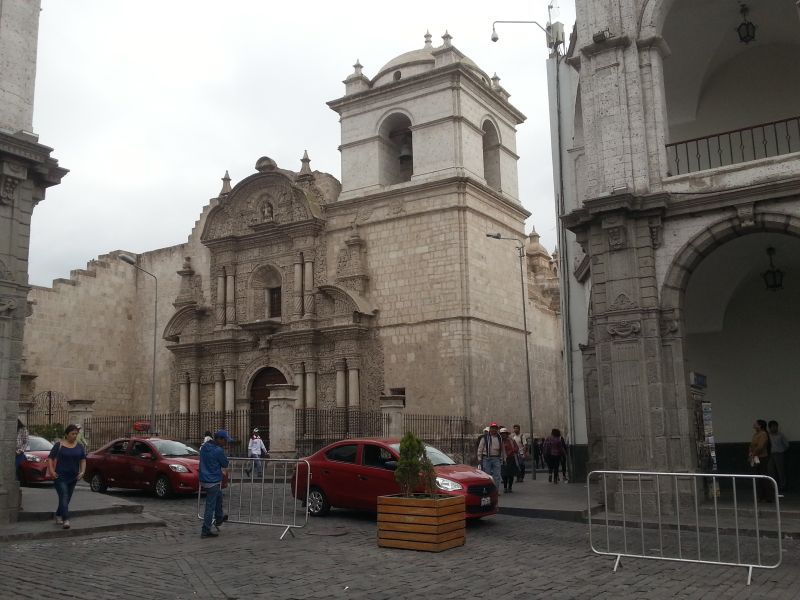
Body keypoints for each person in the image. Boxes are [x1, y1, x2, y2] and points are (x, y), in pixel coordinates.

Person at [47, 424, 87, 529]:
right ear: (66, 434)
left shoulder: (79, 446)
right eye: (72, 434)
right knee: (64, 496)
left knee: (67, 498)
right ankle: (66, 519)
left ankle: (58, 514)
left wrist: (82, 472)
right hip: (59, 476)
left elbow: (83, 460)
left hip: (73, 477)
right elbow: (50, 458)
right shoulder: (59, 445)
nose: (74, 436)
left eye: (76, 434)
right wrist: (51, 471)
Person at [199, 429, 232, 538]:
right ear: (219, 439)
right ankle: (205, 530)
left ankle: (219, 518)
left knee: (219, 497)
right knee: (210, 506)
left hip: (204, 479)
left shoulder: (204, 447)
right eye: (225, 440)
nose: (226, 443)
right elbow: (225, 463)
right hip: (212, 480)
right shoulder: (218, 450)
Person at [476, 422, 504, 490]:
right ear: (490, 429)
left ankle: (495, 490)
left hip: (496, 458)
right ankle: (487, 490)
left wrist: (503, 458)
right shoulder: (485, 438)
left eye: (495, 428)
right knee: (487, 475)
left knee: (497, 475)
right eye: (492, 428)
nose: (494, 430)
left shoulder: (499, 438)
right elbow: (480, 448)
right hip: (487, 458)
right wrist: (479, 458)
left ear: (497, 429)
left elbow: (502, 449)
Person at [749, 419, 771, 502]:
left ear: (760, 425)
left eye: (756, 424)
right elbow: (751, 445)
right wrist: (750, 453)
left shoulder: (763, 434)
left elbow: (760, 446)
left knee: (763, 476)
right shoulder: (755, 434)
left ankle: (768, 496)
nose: (754, 425)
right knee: (758, 478)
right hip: (755, 457)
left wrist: (753, 453)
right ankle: (760, 496)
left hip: (762, 457)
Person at [767, 420, 788, 496]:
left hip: (779, 454)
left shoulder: (781, 435)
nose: (775, 428)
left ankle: (783, 486)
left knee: (780, 470)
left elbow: (786, 445)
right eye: (773, 427)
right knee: (770, 470)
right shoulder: (768, 435)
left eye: (776, 426)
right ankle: (773, 486)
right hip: (770, 454)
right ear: (769, 428)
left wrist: (781, 450)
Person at [499, 427, 520, 493]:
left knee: (511, 474)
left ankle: (510, 487)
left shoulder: (511, 440)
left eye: (504, 433)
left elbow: (516, 448)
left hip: (511, 459)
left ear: (507, 434)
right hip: (503, 459)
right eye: (502, 434)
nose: (503, 435)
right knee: (504, 474)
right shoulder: (499, 441)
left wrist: (512, 451)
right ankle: (505, 487)